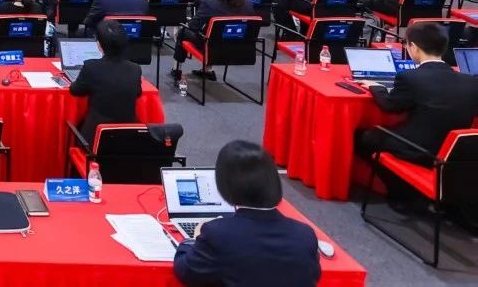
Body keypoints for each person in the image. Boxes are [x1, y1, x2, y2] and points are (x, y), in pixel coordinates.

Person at [173, 140, 320, 287]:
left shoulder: (217, 234)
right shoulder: (305, 234)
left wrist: (192, 238)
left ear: (225, 185)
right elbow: (313, 274)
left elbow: (186, 271)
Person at [354, 21, 478, 167]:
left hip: (419, 151)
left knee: (364, 136)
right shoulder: (471, 81)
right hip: (455, 154)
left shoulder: (410, 77)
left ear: (414, 47)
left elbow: (390, 106)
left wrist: (376, 87)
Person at [172, 0, 252, 81]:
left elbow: (193, 26)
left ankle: (176, 70)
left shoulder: (210, 3)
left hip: (212, 49)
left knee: (183, 31)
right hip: (239, 49)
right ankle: (207, 70)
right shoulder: (248, 4)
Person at [69, 20, 142, 140]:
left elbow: (75, 90)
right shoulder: (135, 69)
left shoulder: (91, 67)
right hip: (128, 138)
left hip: (95, 138)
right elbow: (138, 93)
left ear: (99, 45)